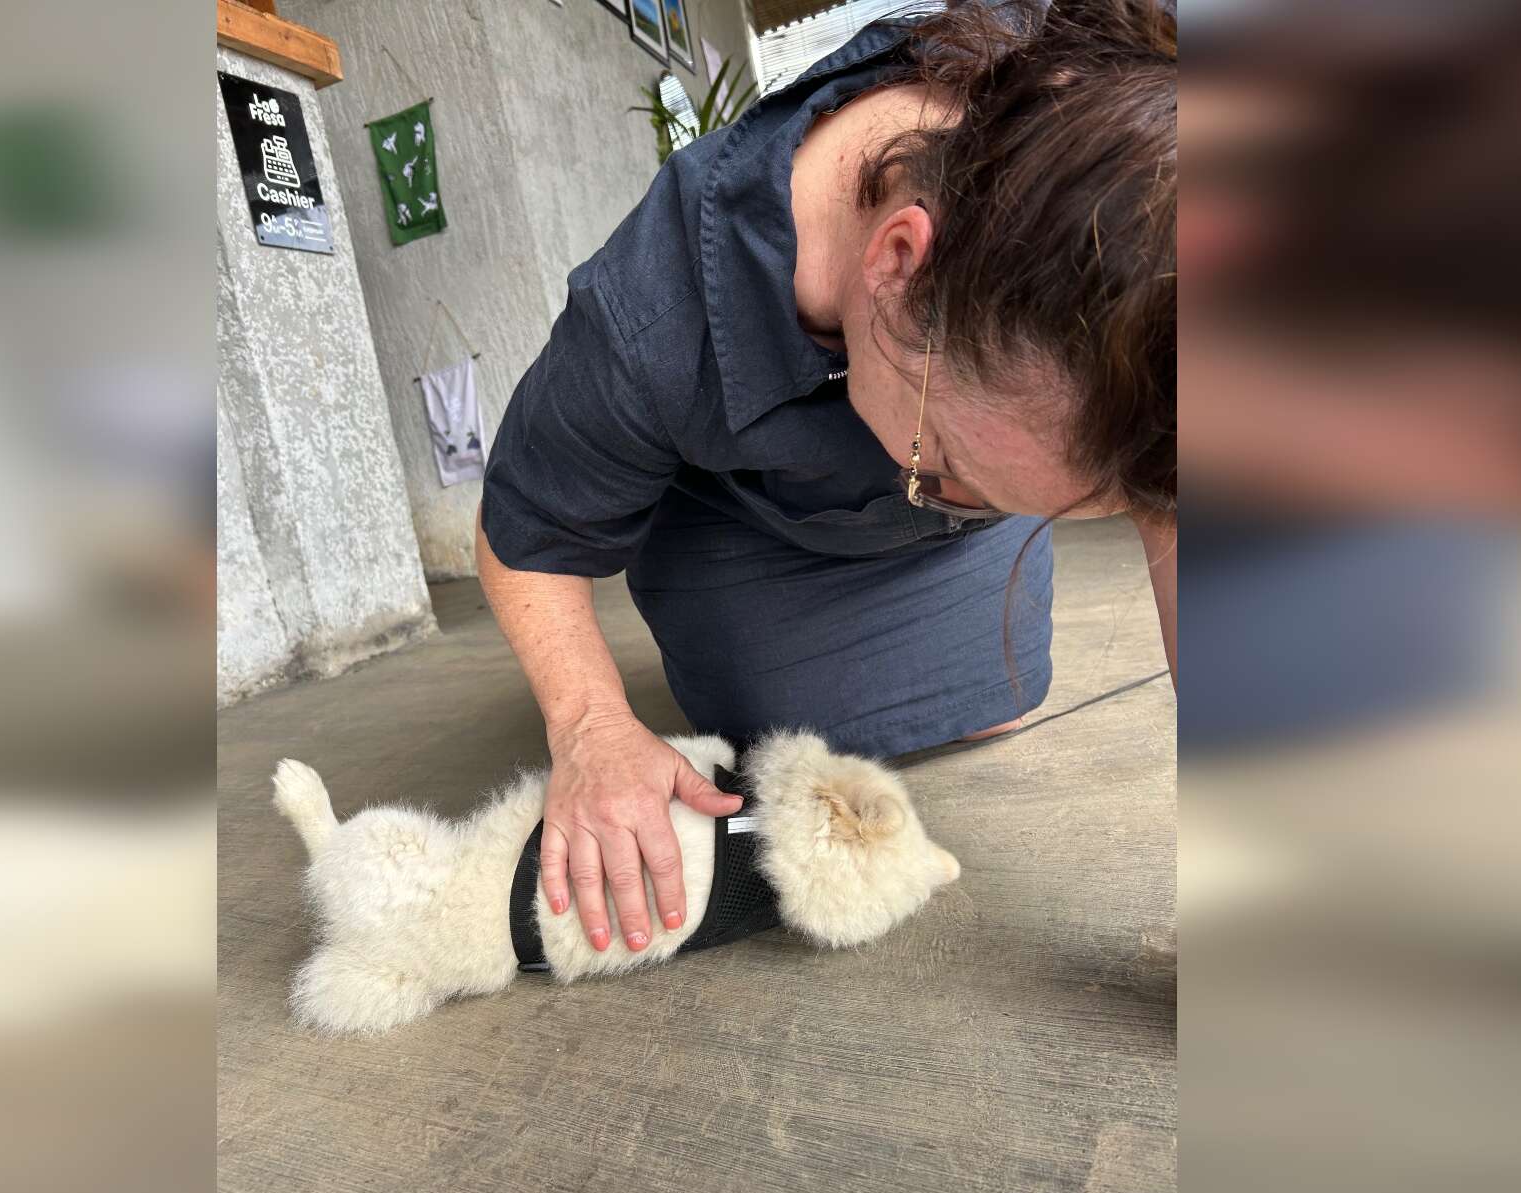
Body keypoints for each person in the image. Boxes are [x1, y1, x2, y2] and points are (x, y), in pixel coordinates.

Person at [478, 0, 1176, 957]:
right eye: (949, 464)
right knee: (777, 740)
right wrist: (590, 725)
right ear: (897, 264)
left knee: (996, 706)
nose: (961, 513)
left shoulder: (1131, 158)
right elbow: (528, 536)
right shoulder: (651, 316)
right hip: (748, 522)